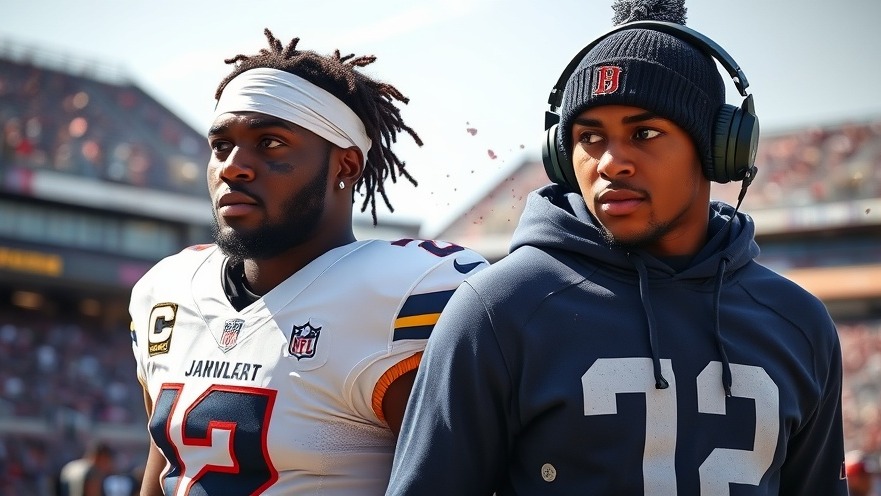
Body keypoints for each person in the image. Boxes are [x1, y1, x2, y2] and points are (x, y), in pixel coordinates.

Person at [386, 0, 848, 494]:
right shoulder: (499, 311)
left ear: (717, 150)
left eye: (644, 132)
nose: (611, 162)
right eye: (589, 136)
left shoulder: (800, 323)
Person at [128, 29, 487, 495]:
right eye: (221, 146)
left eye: (271, 143)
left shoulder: (410, 295)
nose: (234, 166)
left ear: (346, 166)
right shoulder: (167, 289)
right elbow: (162, 471)